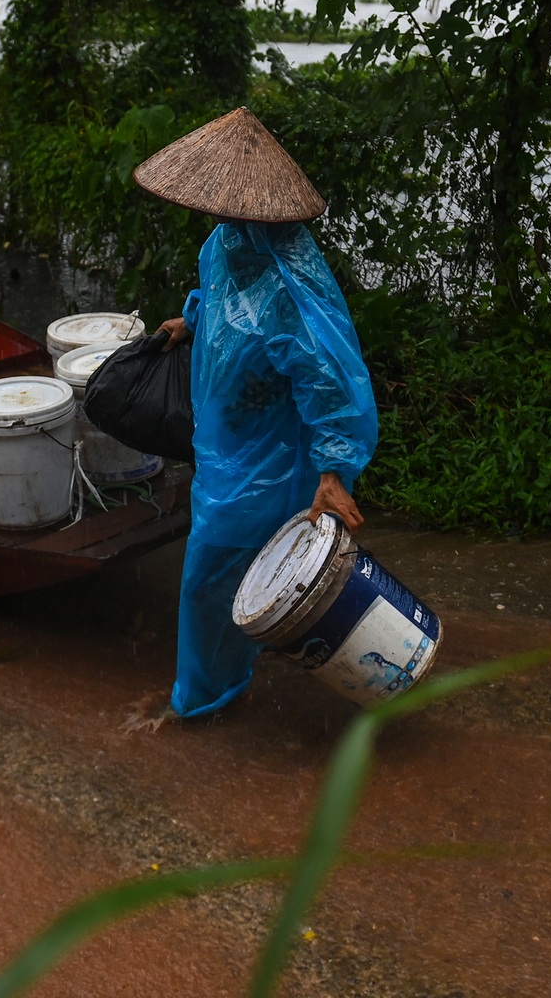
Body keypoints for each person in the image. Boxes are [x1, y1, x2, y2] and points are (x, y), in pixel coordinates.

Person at [133, 107, 378, 718]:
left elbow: (332, 381)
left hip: (268, 451)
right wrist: (189, 320)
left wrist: (333, 471)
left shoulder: (291, 284)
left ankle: (204, 696)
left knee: (210, 570)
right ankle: (250, 650)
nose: (212, 214)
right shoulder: (226, 242)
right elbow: (217, 297)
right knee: (242, 558)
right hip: (226, 438)